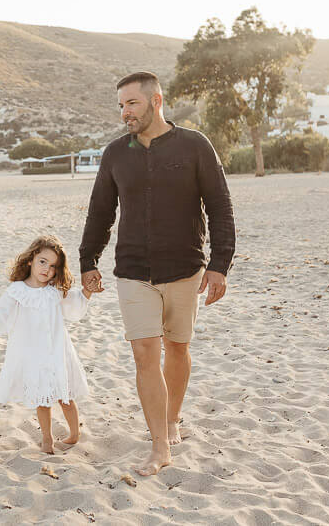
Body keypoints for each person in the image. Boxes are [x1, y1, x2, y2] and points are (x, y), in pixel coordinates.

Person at [79, 71, 235, 477]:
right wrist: (88, 260)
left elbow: (220, 207)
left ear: (156, 101)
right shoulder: (116, 153)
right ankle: (160, 445)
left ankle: (172, 418)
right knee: (145, 353)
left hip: (185, 269)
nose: (125, 112)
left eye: (131, 103)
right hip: (132, 270)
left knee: (177, 348)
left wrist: (220, 265)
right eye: (121, 106)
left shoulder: (195, 145)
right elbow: (100, 211)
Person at [0, 236, 93, 455]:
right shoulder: (16, 291)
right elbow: (1, 316)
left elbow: (75, 308)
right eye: (43, 261)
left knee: (65, 397)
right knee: (43, 400)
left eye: (53, 266)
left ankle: (74, 434)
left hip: (58, 353)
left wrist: (88, 291)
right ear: (31, 259)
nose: (47, 269)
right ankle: (47, 438)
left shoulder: (56, 290)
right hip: (34, 355)